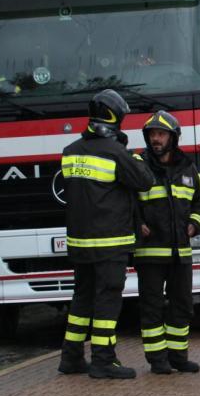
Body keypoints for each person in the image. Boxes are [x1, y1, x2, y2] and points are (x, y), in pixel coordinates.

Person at [57, 90, 155, 380]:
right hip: (110, 242)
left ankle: (71, 357)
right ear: (115, 118)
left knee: (81, 299)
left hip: (79, 242)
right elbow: (145, 181)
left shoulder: (70, 151)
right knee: (107, 300)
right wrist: (132, 156)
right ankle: (103, 359)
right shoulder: (115, 152)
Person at [133, 110, 200, 374]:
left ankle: (178, 356)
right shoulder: (139, 166)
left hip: (181, 253)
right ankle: (157, 359)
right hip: (151, 253)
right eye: (152, 134)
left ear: (173, 138)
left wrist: (195, 223)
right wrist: (136, 223)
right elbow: (124, 201)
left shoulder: (188, 169)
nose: (156, 139)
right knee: (152, 307)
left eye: (161, 134)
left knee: (183, 305)